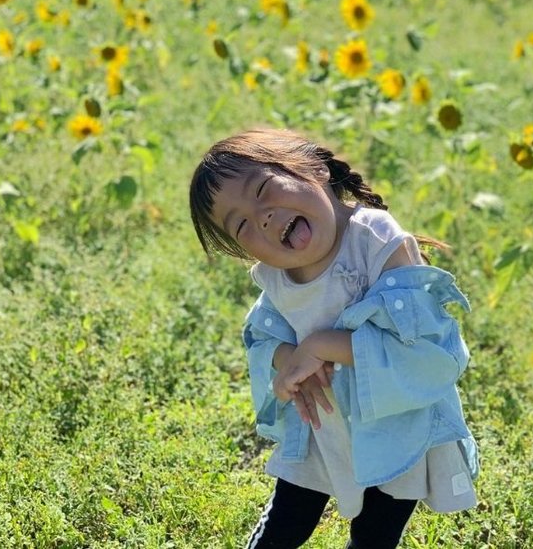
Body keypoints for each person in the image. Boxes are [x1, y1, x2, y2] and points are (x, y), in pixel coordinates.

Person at [189, 128, 479, 549]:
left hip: (395, 429)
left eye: (264, 189)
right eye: (242, 226)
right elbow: (262, 333)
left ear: (316, 169)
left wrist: (321, 345)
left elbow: (423, 351)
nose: (263, 217)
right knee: (281, 528)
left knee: (373, 539)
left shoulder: (377, 242)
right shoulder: (278, 277)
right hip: (321, 427)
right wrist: (288, 361)